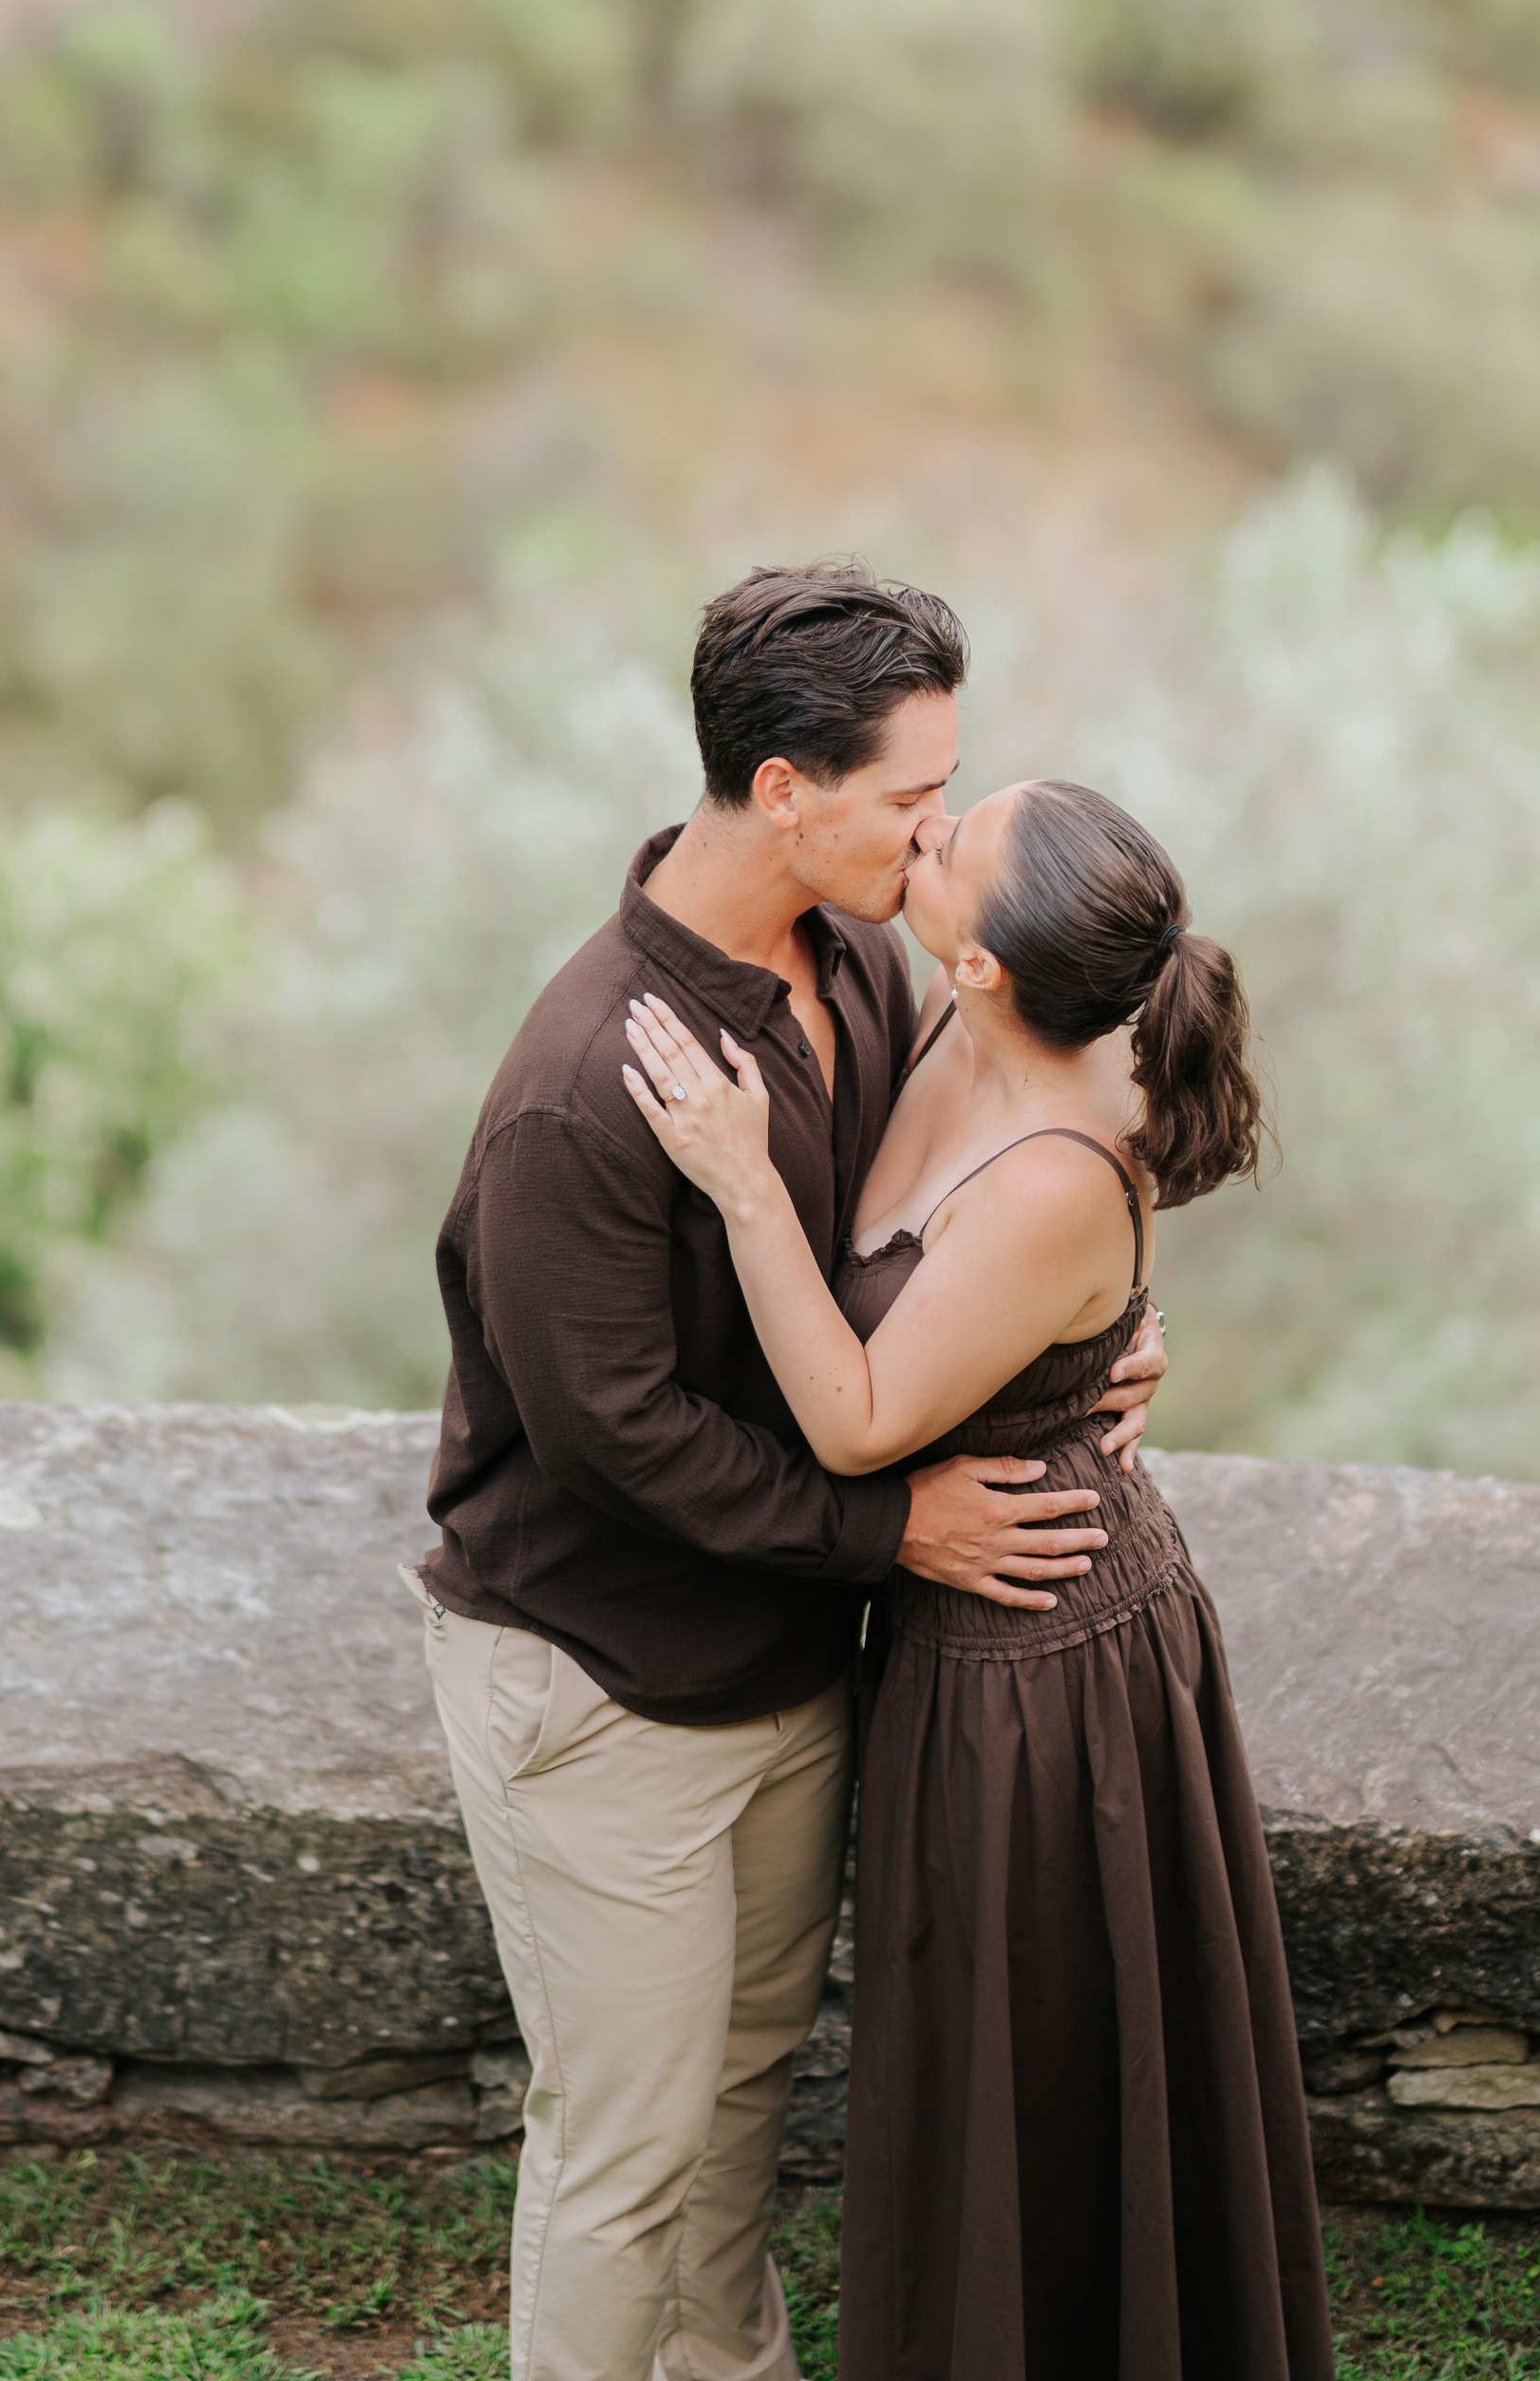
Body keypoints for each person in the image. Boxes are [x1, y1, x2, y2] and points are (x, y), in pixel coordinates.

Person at [413, 563, 1168, 2381]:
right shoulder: (582, 1088)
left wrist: (1081, 1347)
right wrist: (895, 1522)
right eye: (913, 800)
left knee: (740, 2115)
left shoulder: (854, 958)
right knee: (625, 2155)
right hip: (600, 1688)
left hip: (784, 1660)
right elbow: (614, 1443)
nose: (933, 842)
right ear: (782, 791)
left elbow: (946, 1218)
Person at [624, 774, 1335, 2381]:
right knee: (999, 2060)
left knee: (1054, 2062)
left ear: (985, 970)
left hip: (1043, 1659)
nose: (928, 832)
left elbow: (861, 1421)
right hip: (972, 1615)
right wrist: (1112, 1349)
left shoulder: (1054, 1168)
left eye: (957, 839)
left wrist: (744, 1184)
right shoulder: (947, 1015)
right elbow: (1069, 1309)